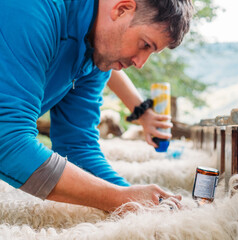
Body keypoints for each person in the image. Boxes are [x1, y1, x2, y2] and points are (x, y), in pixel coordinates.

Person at [0, 0, 193, 212]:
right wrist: (119, 198)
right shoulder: (31, 9)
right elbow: (7, 140)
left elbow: (77, 147)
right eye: (145, 44)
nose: (140, 63)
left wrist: (142, 204)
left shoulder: (96, 55)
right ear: (122, 9)